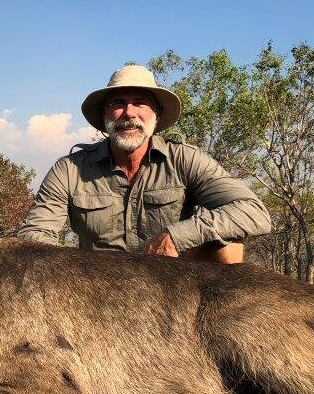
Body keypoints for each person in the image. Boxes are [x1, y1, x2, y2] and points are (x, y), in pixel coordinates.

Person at [16, 64, 271, 262]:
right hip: (94, 290)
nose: (129, 113)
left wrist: (177, 235)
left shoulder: (184, 159)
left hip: (169, 286)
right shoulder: (70, 169)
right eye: (118, 103)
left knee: (229, 250)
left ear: (156, 116)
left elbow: (254, 212)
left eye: (140, 102)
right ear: (105, 115)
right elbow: (33, 236)